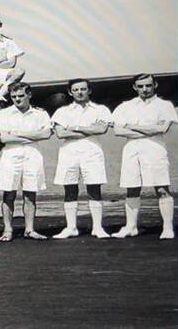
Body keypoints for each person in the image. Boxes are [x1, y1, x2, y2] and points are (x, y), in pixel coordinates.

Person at [111, 74, 178, 240]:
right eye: (140, 86)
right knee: (132, 188)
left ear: (155, 85)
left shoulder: (165, 105)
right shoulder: (126, 106)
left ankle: (167, 228)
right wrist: (149, 129)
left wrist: (132, 126)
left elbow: (161, 129)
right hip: (131, 149)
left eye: (148, 85)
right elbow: (118, 130)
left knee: (161, 188)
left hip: (155, 148)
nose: (145, 89)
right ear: (135, 87)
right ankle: (131, 227)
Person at [51, 79, 113, 239]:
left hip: (92, 151)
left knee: (94, 188)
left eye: (83, 89)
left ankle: (97, 228)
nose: (80, 92)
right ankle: (71, 227)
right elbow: (61, 133)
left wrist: (75, 128)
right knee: (70, 189)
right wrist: (89, 130)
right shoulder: (62, 111)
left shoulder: (101, 109)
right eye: (76, 90)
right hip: (69, 152)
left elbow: (102, 129)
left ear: (89, 90)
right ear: (70, 92)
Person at [0, 82, 52, 241]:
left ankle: (30, 229)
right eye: (13, 97)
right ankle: (7, 230)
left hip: (33, 154)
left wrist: (18, 133)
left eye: (21, 96)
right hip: (10, 155)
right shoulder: (3, 114)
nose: (17, 99)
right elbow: (4, 138)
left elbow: (46, 134)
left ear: (29, 95)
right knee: (9, 193)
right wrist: (33, 135)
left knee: (30, 193)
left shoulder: (40, 114)